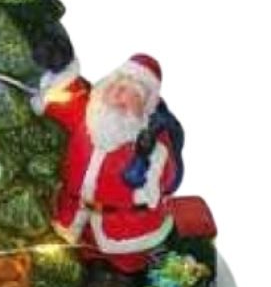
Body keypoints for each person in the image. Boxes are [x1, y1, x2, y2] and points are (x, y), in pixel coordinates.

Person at [32, 53, 182, 274]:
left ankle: (123, 276)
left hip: (125, 228)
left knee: (126, 263)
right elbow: (62, 97)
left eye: (133, 94)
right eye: (118, 88)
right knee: (81, 254)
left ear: (144, 107)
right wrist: (60, 70)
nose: (121, 96)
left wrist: (149, 160)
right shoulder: (87, 115)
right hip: (78, 215)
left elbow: (166, 177)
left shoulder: (149, 144)